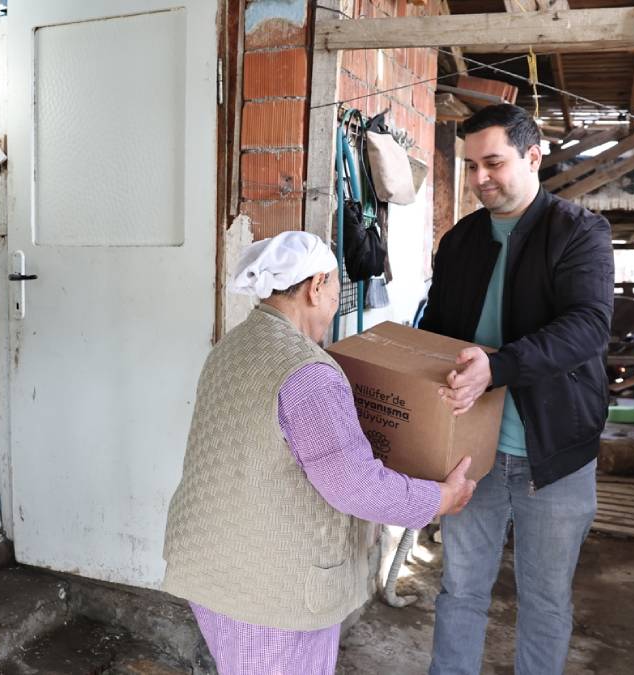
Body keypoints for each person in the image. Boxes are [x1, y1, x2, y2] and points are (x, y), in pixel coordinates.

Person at [163, 230, 477, 675]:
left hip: (214, 564)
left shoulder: (234, 346)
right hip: (268, 589)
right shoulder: (307, 373)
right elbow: (354, 486)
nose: (333, 302)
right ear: (316, 287)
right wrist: (439, 499)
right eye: (334, 289)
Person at [419, 104, 614, 675]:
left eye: (494, 162)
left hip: (552, 453)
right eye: (472, 165)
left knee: (545, 601)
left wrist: (497, 367)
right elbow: (436, 332)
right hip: (469, 453)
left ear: (533, 156)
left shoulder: (580, 232)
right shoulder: (459, 241)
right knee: (460, 589)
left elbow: (588, 326)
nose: (481, 178)